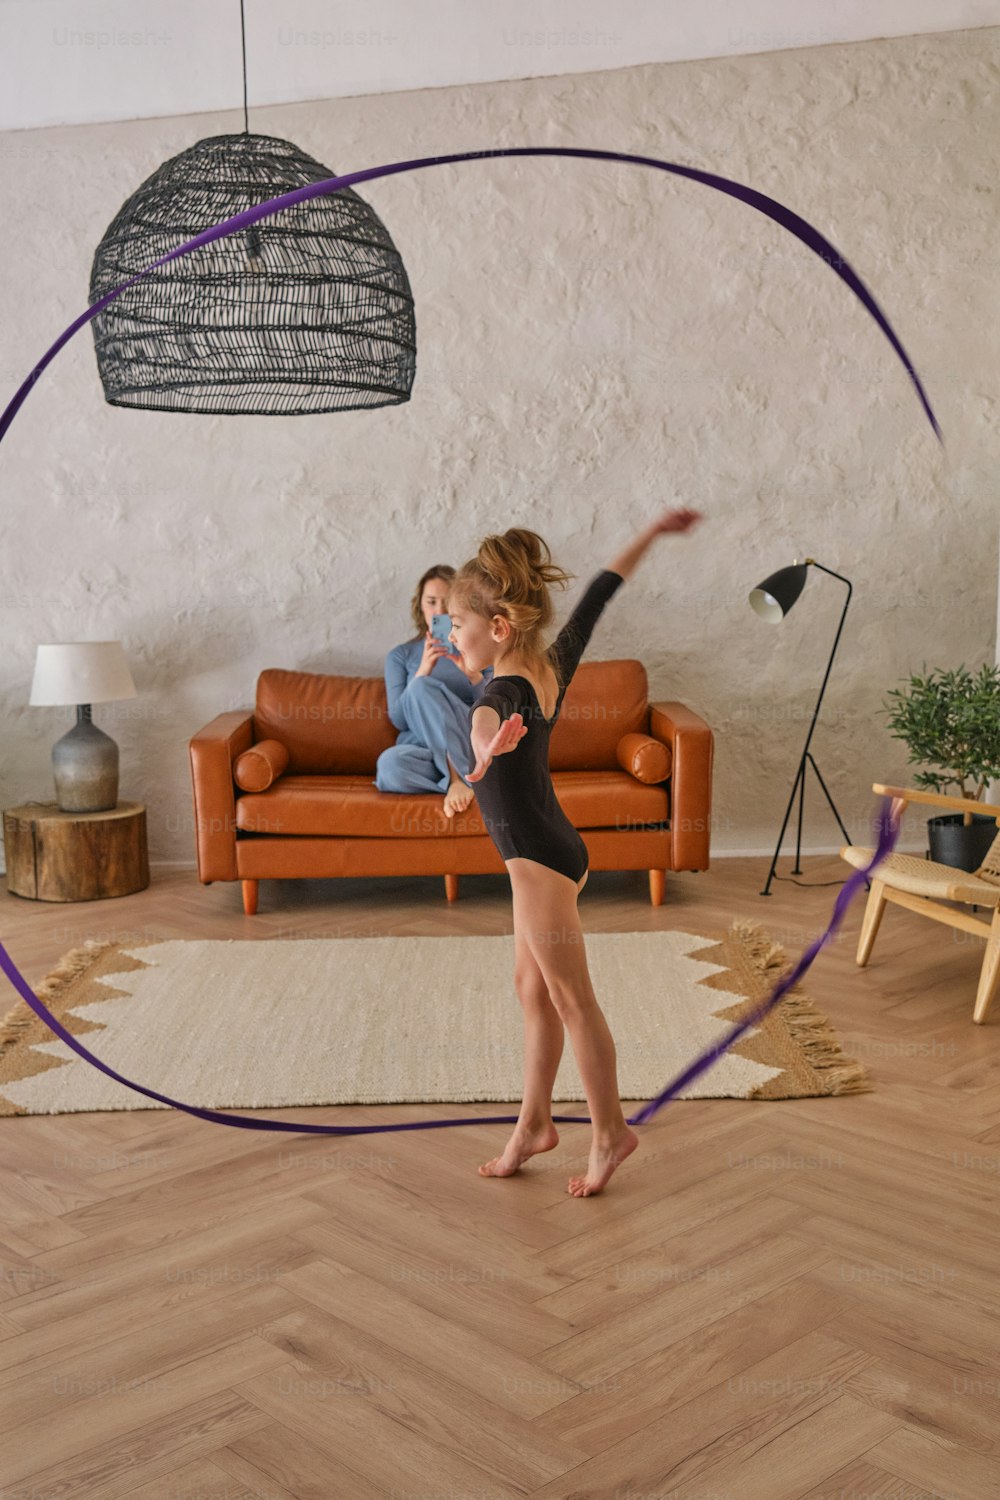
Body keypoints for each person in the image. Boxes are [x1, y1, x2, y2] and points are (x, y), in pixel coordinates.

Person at [447, 506, 704, 1196]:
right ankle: (534, 1125)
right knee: (533, 991)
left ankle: (611, 1133)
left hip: (538, 869)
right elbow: (597, 595)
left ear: (498, 628)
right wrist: (647, 532)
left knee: (571, 1000)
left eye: (457, 626)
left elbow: (485, 721)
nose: (448, 637)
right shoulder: (547, 665)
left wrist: (481, 749)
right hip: (556, 853)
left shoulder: (501, 691)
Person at [373, 565, 495, 819]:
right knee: (389, 766)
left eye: (446, 602)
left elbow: (493, 708)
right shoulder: (401, 655)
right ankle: (466, 779)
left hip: (468, 740)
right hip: (425, 748)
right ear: (420, 606)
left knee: (419, 687)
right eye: (431, 602)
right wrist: (423, 670)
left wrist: (472, 674)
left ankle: (456, 780)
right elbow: (399, 720)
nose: (439, 610)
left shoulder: (476, 647)